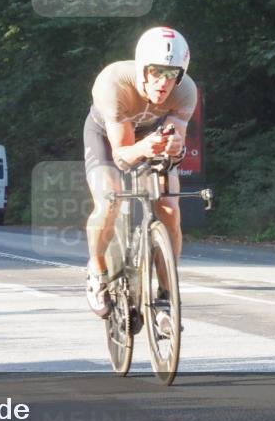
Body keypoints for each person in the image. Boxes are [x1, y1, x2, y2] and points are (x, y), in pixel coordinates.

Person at [82, 26, 197, 331]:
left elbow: (176, 152)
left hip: (152, 138)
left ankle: (165, 295)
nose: (163, 82)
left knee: (170, 209)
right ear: (142, 68)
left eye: (172, 74)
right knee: (109, 199)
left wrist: (176, 147)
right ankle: (96, 271)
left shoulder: (186, 93)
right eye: (157, 72)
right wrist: (144, 147)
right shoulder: (114, 84)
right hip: (108, 140)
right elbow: (121, 156)